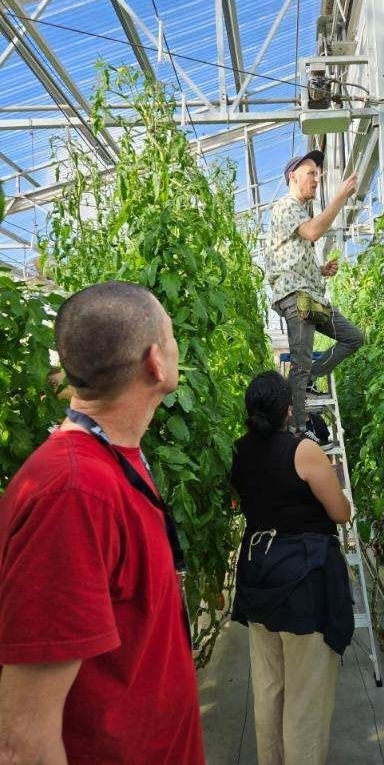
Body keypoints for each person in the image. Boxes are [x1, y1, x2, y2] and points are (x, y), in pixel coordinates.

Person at [0, 281, 204, 765]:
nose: (178, 349)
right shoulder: (74, 497)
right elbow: (22, 742)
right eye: (172, 336)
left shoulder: (111, 463)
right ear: (156, 361)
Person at [230, 370, 354, 765]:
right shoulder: (303, 451)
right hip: (302, 582)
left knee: (268, 689)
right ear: (288, 410)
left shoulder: (237, 451)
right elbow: (339, 512)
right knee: (305, 699)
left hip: (258, 573)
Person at [266, 150, 365, 439]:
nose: (317, 178)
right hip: (297, 299)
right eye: (311, 173)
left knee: (353, 338)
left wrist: (320, 270)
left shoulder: (298, 210)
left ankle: (310, 375)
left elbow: (291, 256)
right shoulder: (286, 206)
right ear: (292, 177)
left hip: (311, 296)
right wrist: (340, 198)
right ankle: (298, 430)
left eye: (318, 174)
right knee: (300, 362)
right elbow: (311, 233)